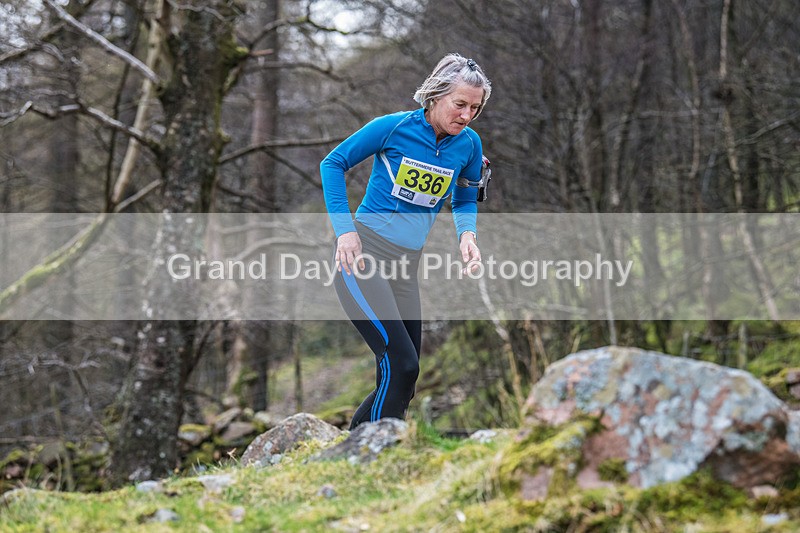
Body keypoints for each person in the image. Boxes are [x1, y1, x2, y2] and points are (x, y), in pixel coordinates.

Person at [320, 53, 492, 430]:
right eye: (459, 104)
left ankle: (355, 447)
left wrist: (467, 235)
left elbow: (465, 196)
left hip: (405, 267)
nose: (466, 115)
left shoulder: (469, 145)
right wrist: (344, 231)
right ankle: (375, 452)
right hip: (362, 257)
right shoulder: (393, 127)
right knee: (402, 364)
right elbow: (332, 163)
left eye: (475, 108)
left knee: (404, 377)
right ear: (436, 96)